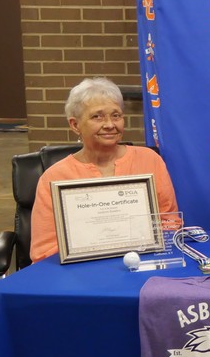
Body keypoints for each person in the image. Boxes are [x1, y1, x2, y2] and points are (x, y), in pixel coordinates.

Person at [30, 78, 178, 262]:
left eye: (116, 115)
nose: (109, 124)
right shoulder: (54, 177)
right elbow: (43, 251)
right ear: (75, 125)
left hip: (143, 264)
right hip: (79, 272)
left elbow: (169, 223)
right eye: (97, 117)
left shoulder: (149, 160)